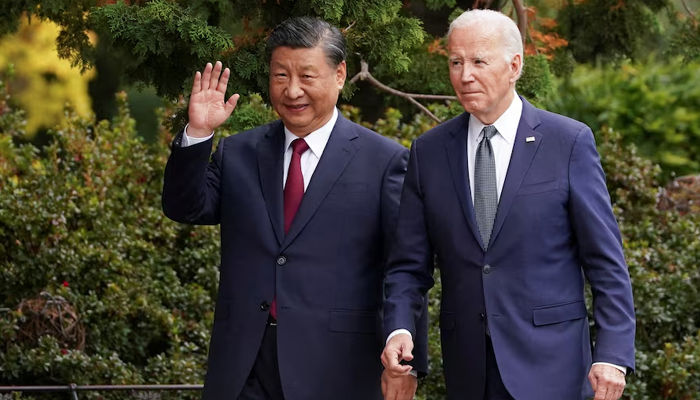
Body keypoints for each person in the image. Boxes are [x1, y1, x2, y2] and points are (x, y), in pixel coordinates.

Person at [162, 16, 426, 400]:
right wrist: (199, 133)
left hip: (337, 369)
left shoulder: (384, 161)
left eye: (307, 76)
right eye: (280, 75)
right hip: (245, 367)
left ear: (339, 75)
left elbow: (404, 267)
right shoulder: (240, 153)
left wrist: (408, 359)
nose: (292, 90)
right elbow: (185, 207)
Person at [381, 9, 635, 400]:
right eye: (455, 61)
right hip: (469, 371)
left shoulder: (568, 142)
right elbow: (408, 267)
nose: (465, 75)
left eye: (479, 61)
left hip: (555, 369)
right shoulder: (428, 152)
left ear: (514, 65)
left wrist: (613, 354)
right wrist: (400, 329)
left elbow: (605, 261)